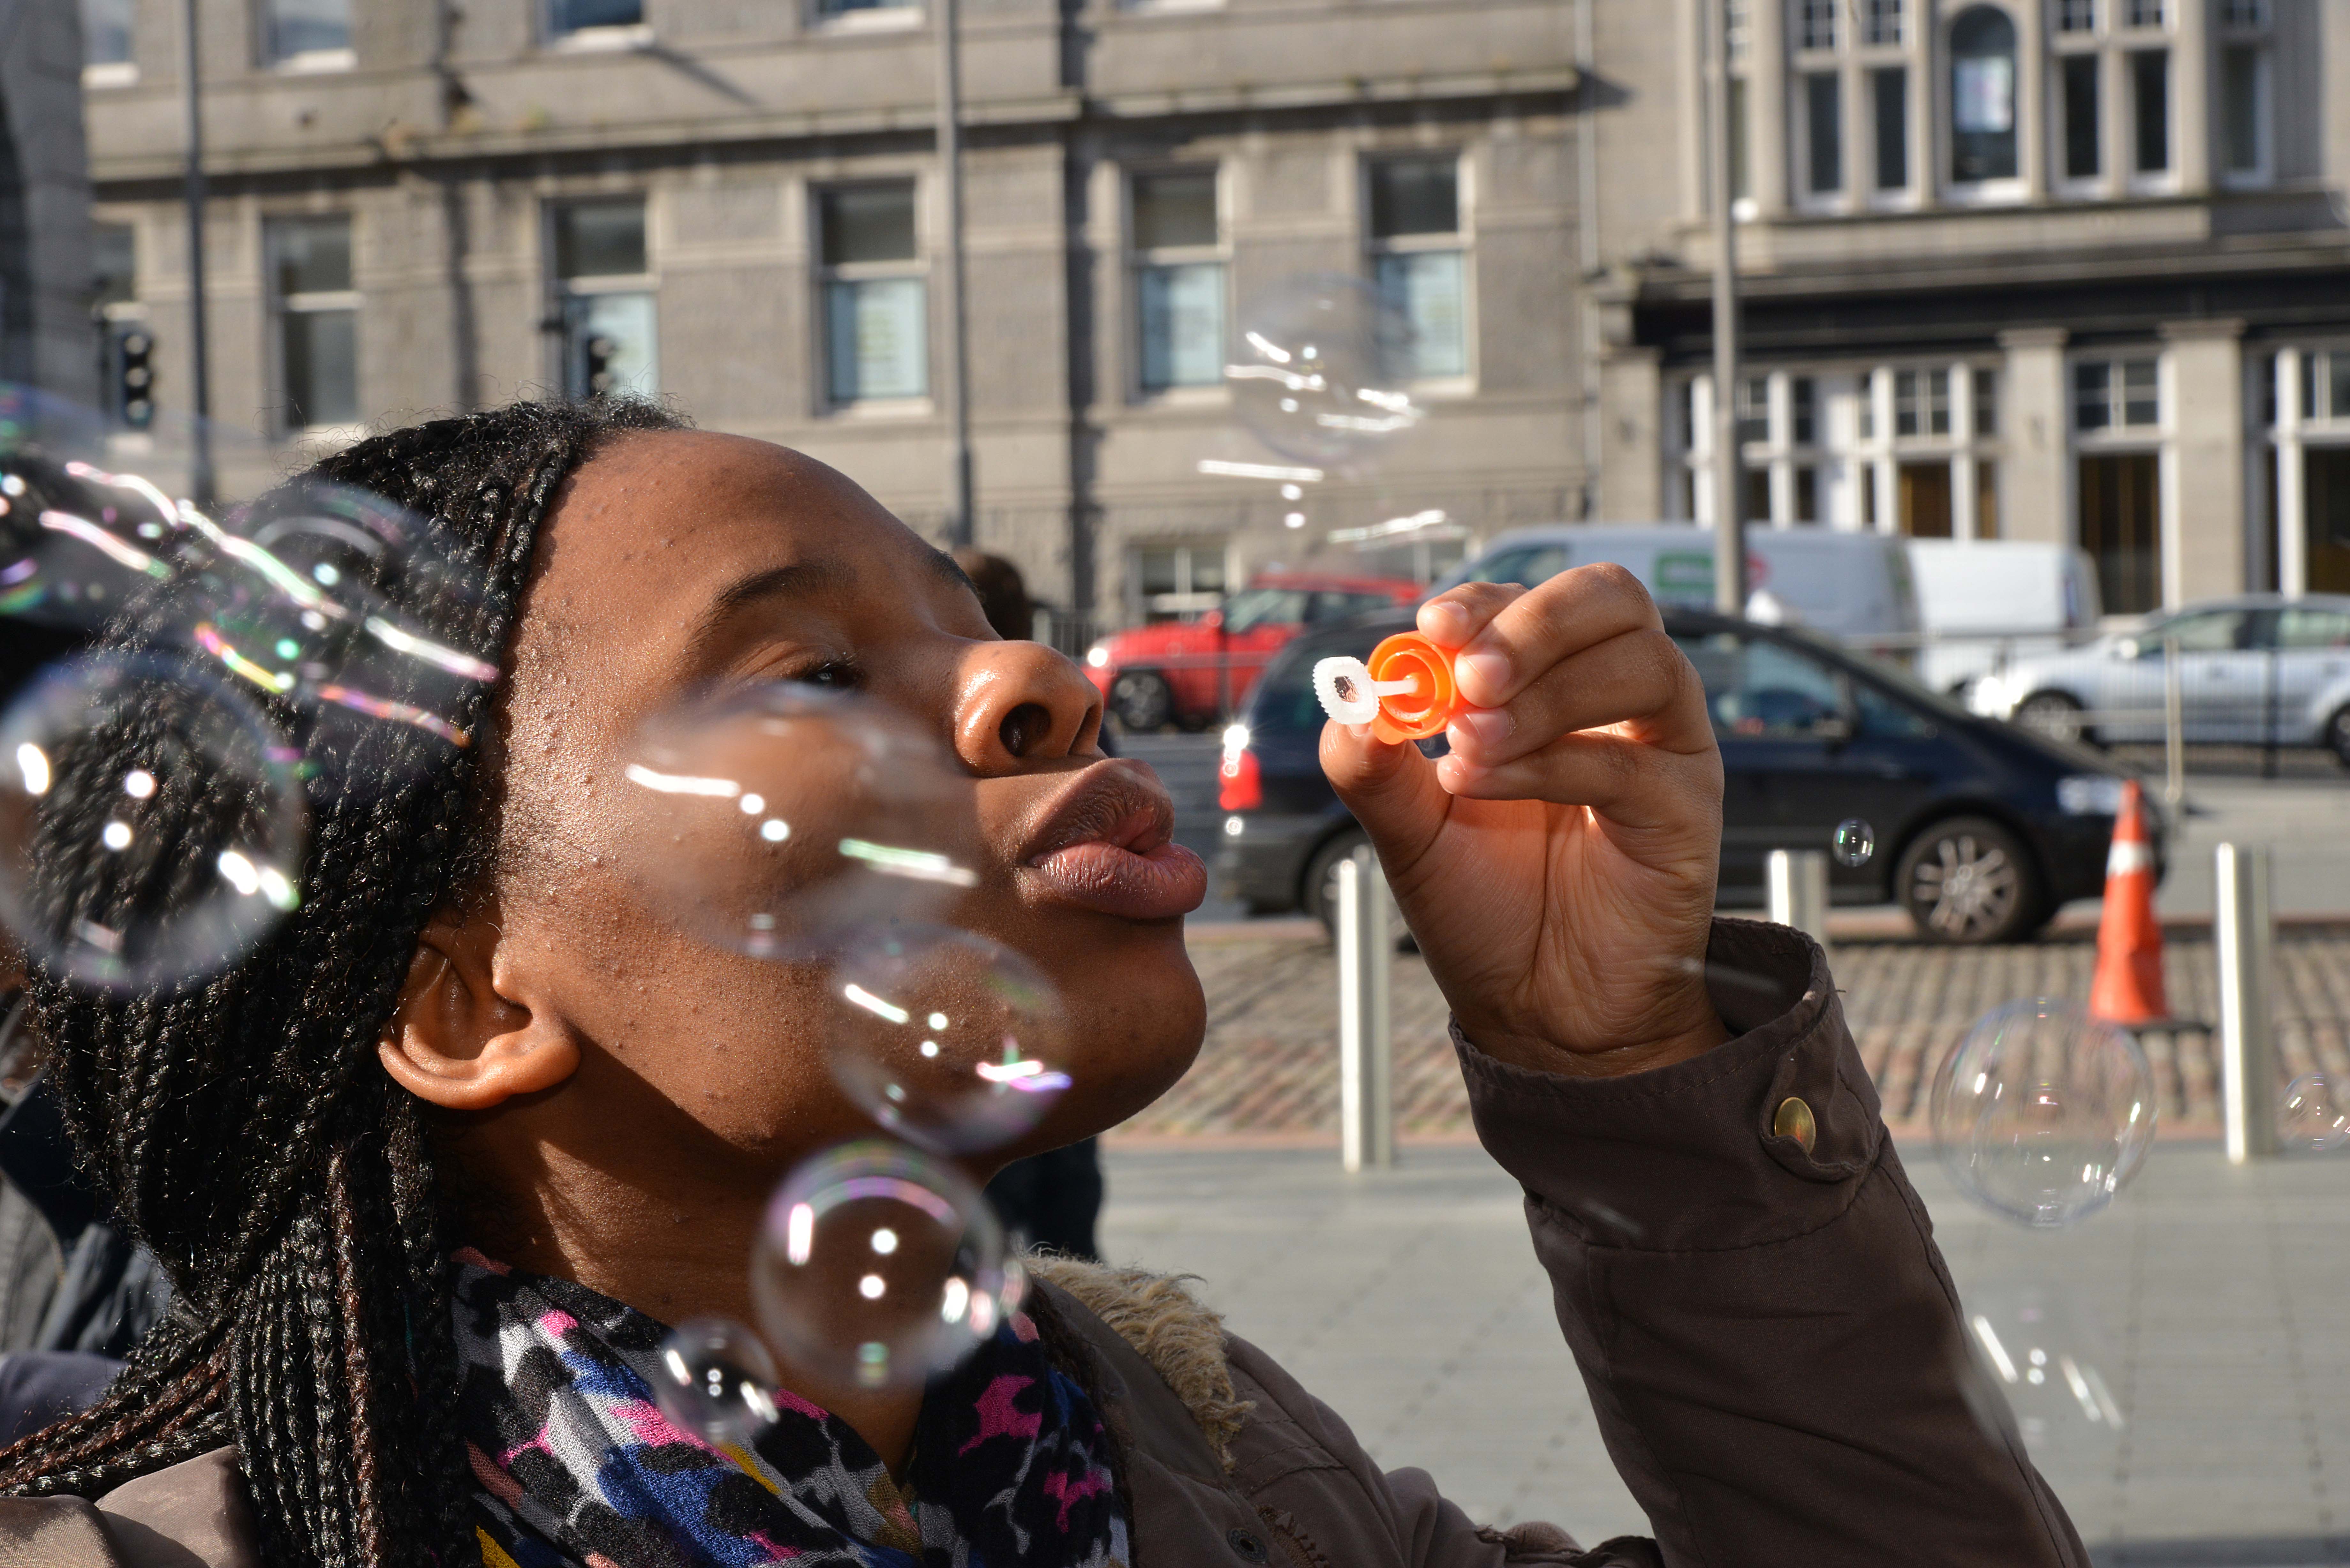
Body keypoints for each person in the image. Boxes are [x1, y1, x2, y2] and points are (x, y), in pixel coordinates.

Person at [0, 400, 2088, 1568]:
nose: (1040, 676)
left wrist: (1616, 1054)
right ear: (469, 1005)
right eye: (820, 665)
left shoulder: (1221, 1462)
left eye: (977, 619)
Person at [952, 547, 1109, 1260]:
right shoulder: (1066, 712)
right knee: (1061, 1189)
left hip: (988, 1007)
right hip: (1053, 1002)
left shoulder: (983, 722)